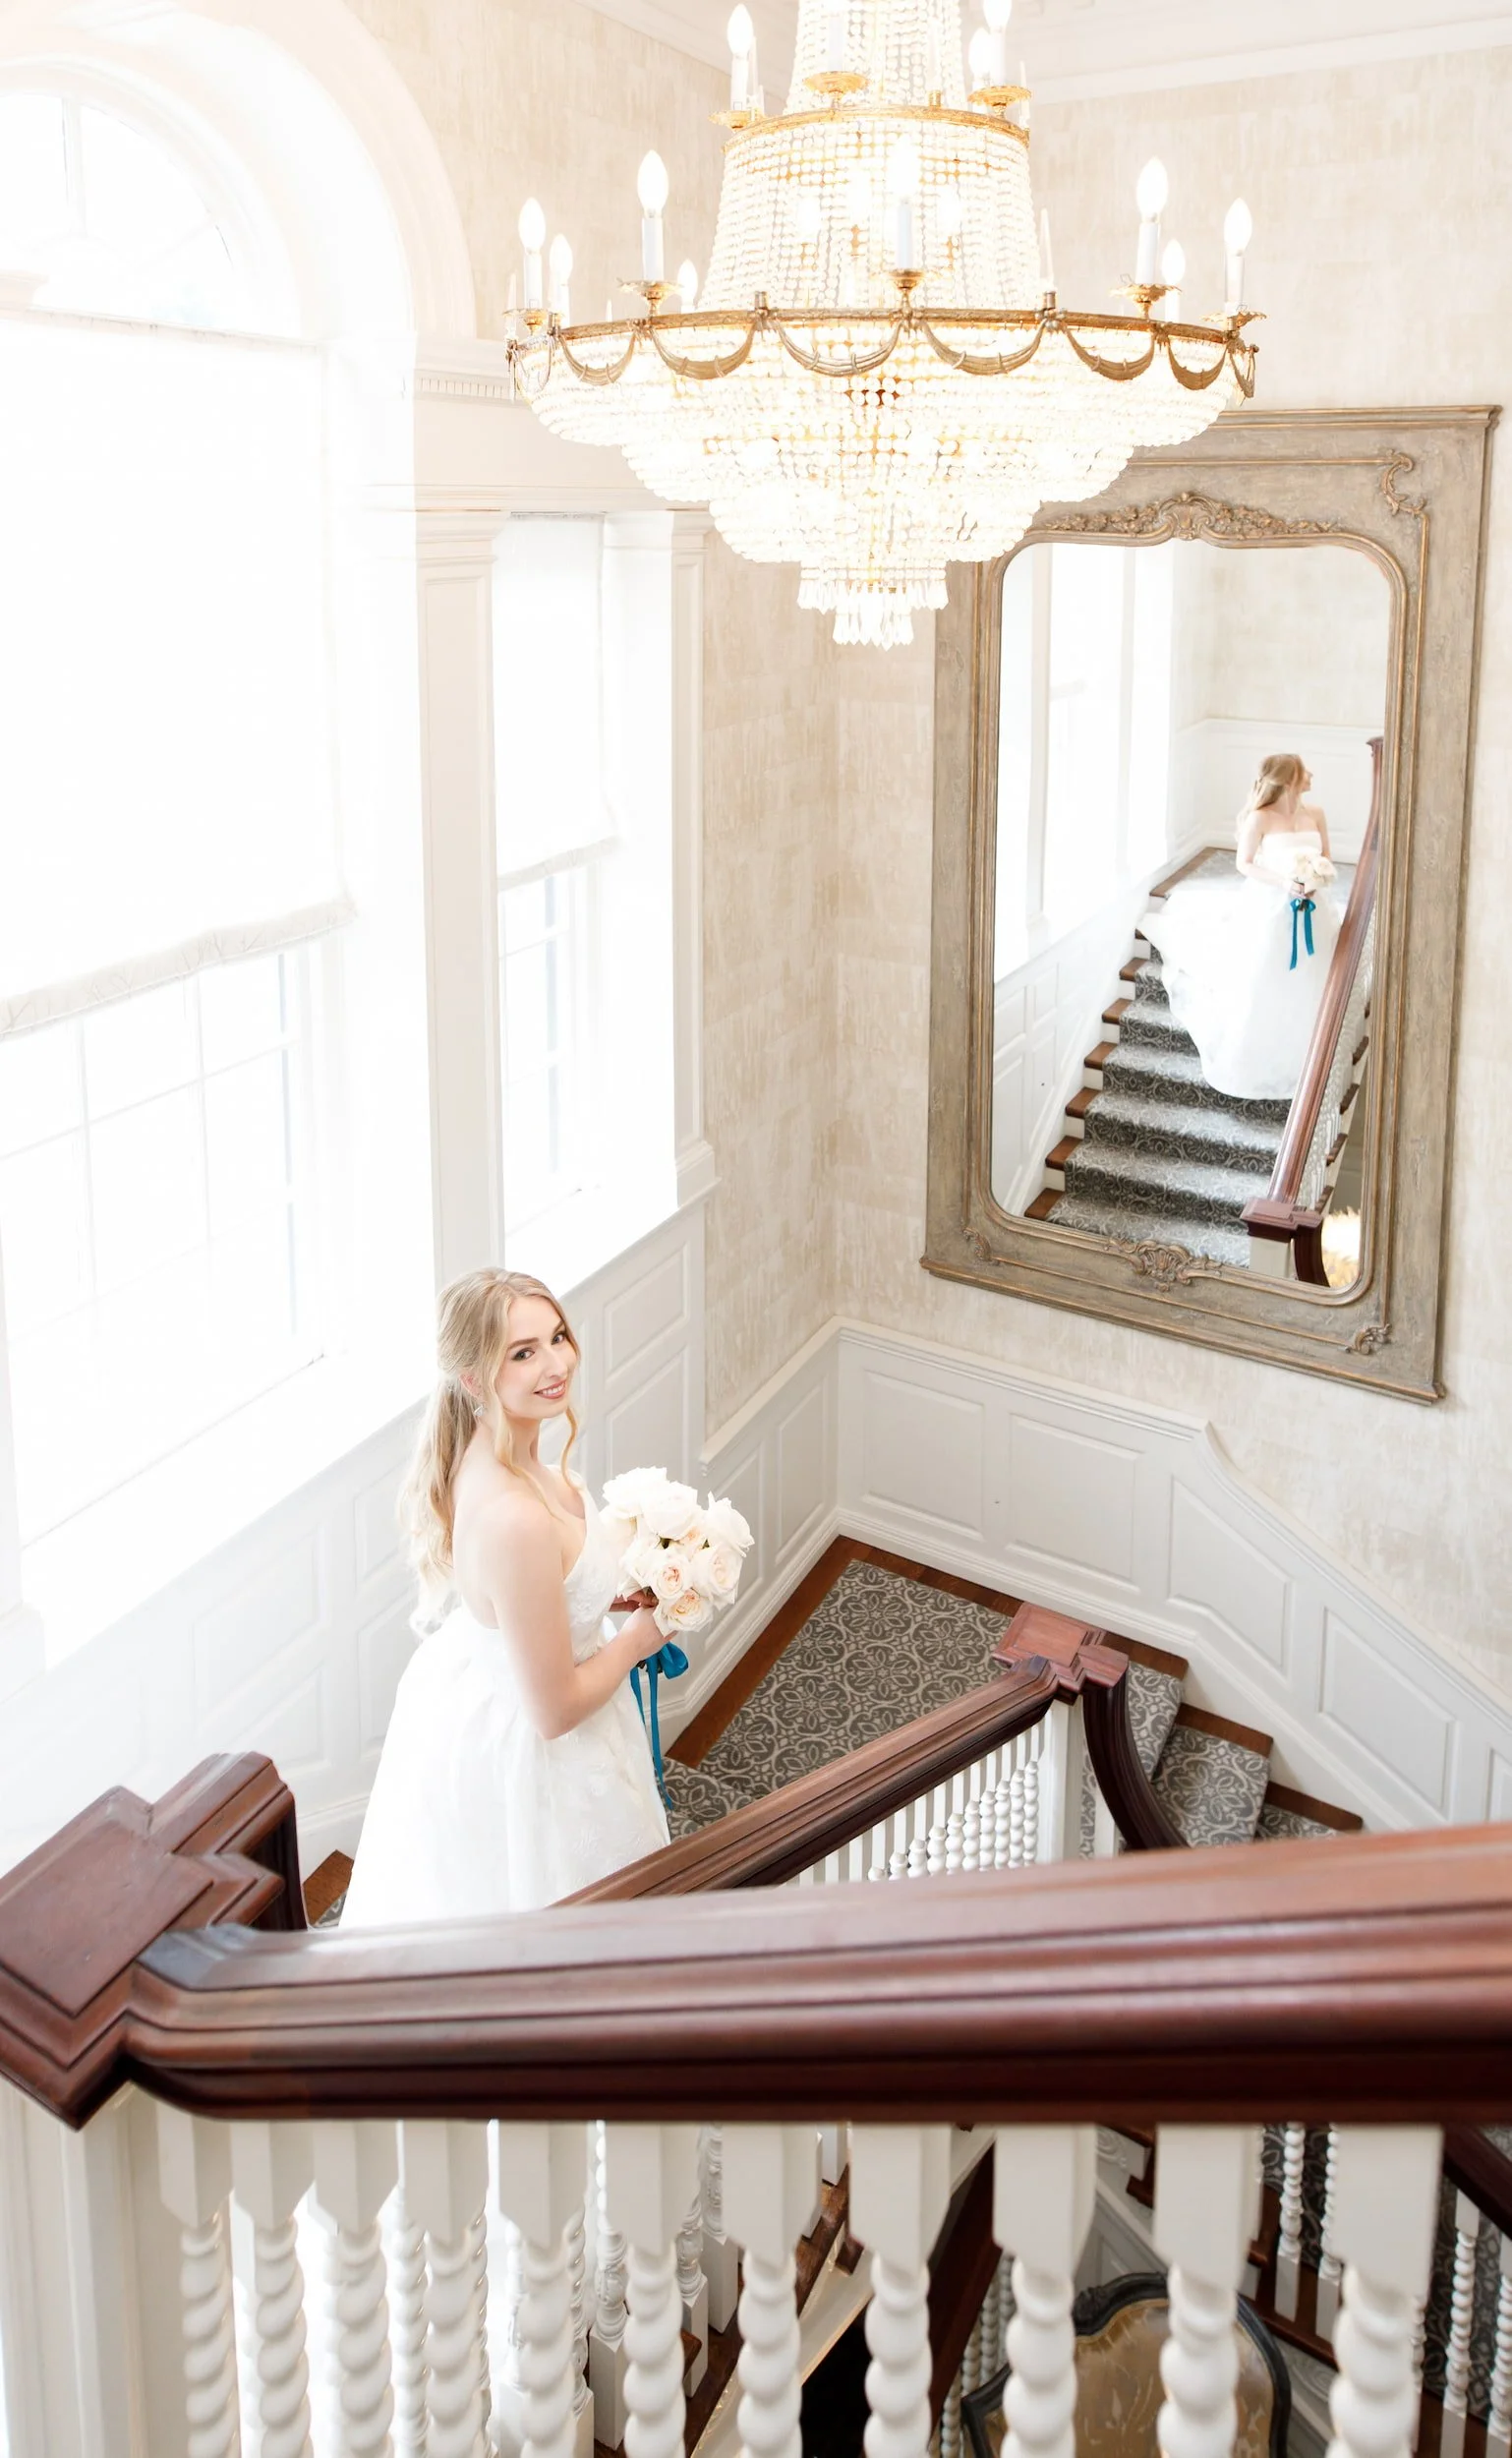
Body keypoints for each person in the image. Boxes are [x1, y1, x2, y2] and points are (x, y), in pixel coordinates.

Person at [340, 1267, 669, 1924]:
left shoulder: (498, 1449)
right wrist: (641, 1640)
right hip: (541, 1748)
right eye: (523, 1353)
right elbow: (554, 1711)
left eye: (557, 1337)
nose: (554, 1365)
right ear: (473, 1379)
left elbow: (535, 1593)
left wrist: (605, 1600)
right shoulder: (512, 1515)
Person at [1145, 752, 1343, 1103]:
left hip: (1313, 907)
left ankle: (1311, 1059)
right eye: (1303, 770)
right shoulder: (1260, 818)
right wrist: (1285, 882)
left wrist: (1316, 877)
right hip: (1271, 905)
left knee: (1313, 980)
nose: (1310, 774)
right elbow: (1245, 863)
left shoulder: (1317, 814)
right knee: (1267, 976)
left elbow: (1326, 855)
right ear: (1288, 780)